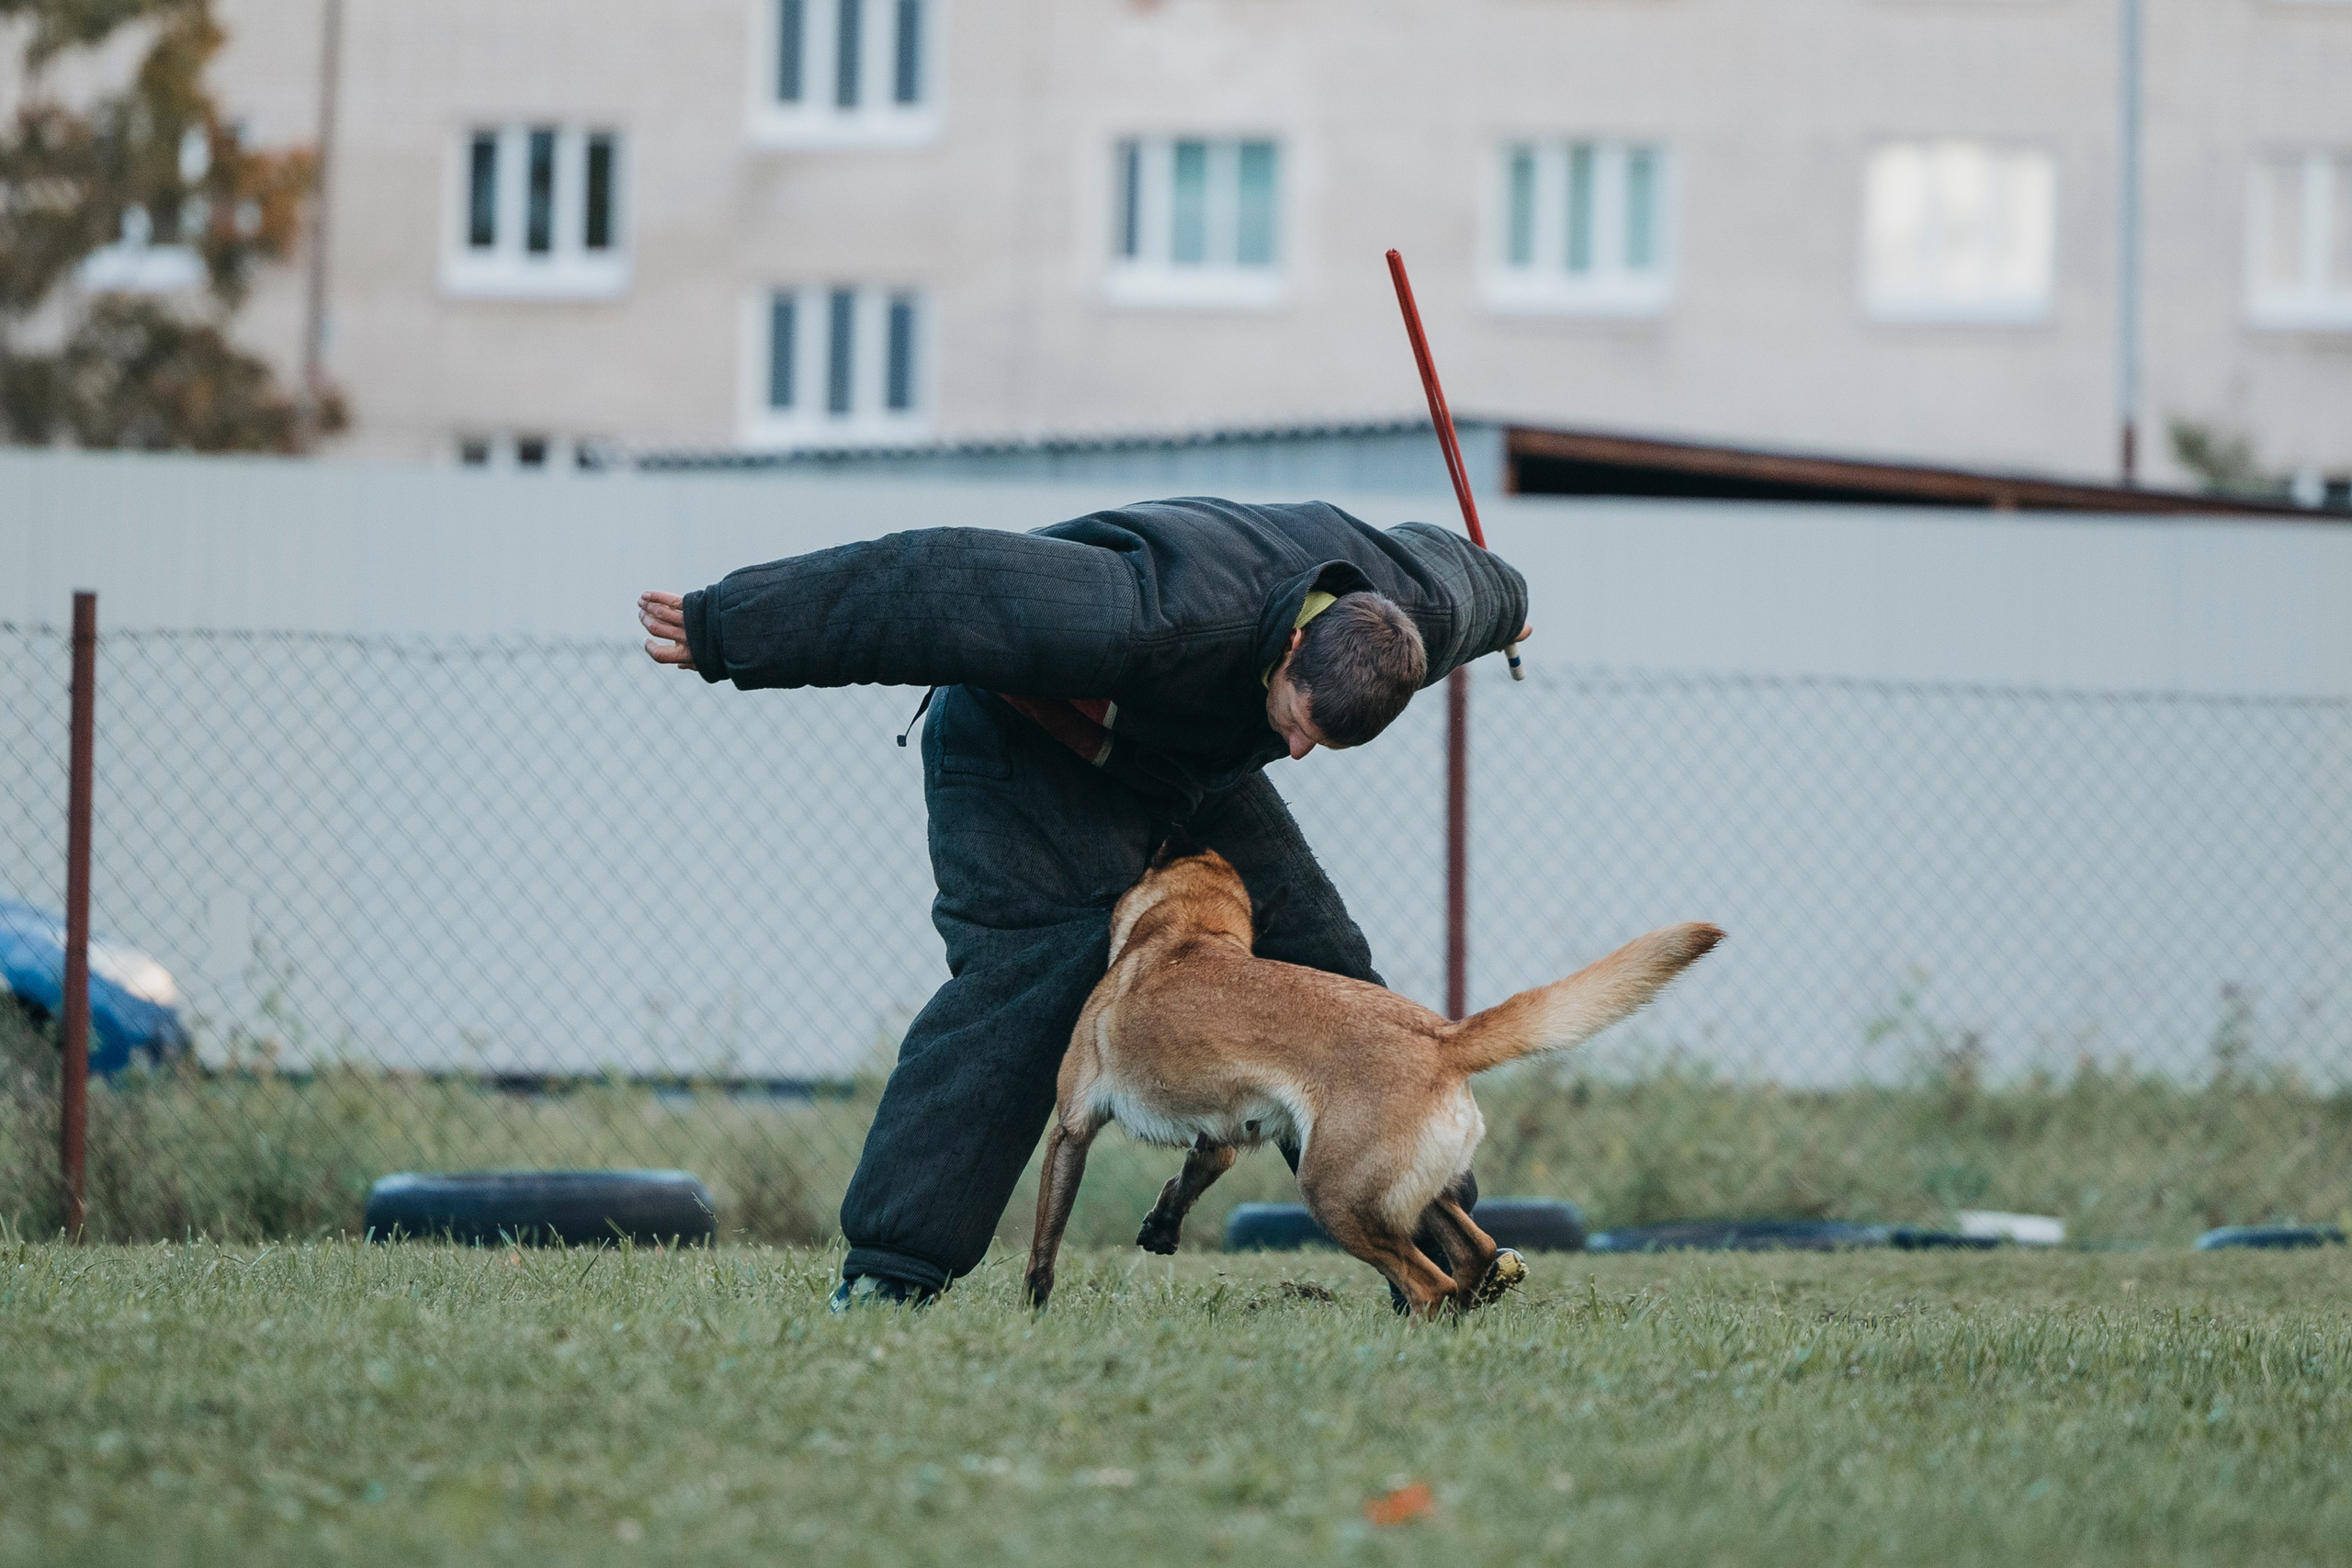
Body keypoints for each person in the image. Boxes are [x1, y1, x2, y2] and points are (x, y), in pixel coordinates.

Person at [639, 496, 1530, 1307]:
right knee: (1044, 968)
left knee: (1321, 963)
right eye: (1298, 723)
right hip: (1019, 743)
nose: (1297, 752)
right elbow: (934, 581)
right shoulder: (1135, 615)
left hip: (1179, 764)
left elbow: (1484, 584)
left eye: (1322, 744)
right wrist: (729, 627)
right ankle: (891, 1272)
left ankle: (1445, 1253)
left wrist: (1513, 606)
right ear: (1294, 649)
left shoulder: (1417, 613)